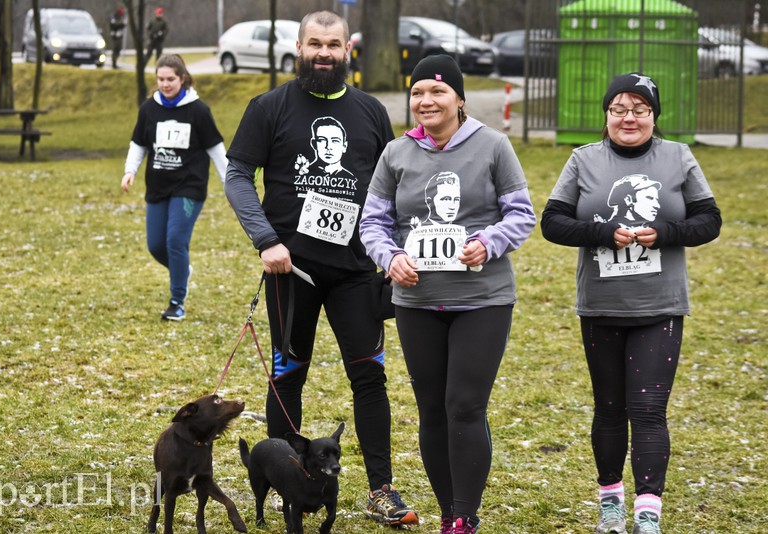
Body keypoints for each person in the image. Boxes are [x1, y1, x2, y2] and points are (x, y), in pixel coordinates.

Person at [224, 10, 419, 528]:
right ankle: (288, 479)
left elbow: (396, 186)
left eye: (334, 44)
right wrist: (265, 239)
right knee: (288, 376)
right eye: (316, 43)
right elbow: (238, 174)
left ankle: (381, 489)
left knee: (369, 379)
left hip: (358, 271)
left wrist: (393, 250)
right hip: (293, 269)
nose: (325, 53)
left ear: (348, 49)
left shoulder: (372, 111)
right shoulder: (269, 107)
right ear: (299, 46)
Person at [360, 54, 536, 534]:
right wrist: (389, 257)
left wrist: (488, 243)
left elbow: (521, 213)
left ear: (459, 99)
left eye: (437, 91)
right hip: (416, 302)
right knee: (432, 408)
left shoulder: (493, 146)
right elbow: (372, 222)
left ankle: (466, 515)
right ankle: (447, 512)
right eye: (417, 92)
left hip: (482, 300)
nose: (426, 101)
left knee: (464, 405)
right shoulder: (396, 154)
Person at [540, 72, 722, 534]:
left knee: (647, 410)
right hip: (601, 304)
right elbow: (553, 222)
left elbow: (710, 220)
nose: (629, 118)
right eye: (619, 109)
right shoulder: (583, 160)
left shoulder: (678, 157)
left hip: (659, 305)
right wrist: (602, 232)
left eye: (640, 110)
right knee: (609, 409)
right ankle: (610, 506)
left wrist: (664, 233)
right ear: (606, 115)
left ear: (653, 117)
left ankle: (647, 512)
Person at [121, 54, 228, 321]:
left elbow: (216, 150)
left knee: (175, 241)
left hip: (189, 186)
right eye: (161, 79)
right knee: (156, 246)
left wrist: (231, 184)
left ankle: (176, 301)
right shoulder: (149, 109)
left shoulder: (198, 111)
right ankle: (182, 270)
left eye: (171, 79)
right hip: (158, 185)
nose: (165, 84)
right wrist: (129, 171)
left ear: (183, 78)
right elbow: (139, 144)